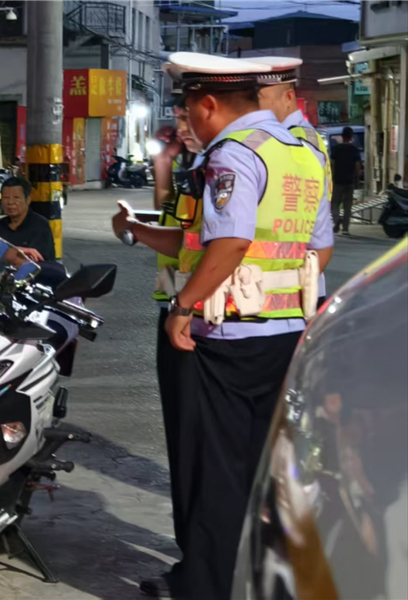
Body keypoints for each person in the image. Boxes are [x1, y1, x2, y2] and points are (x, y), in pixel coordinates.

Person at [113, 52, 333, 599]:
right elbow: (319, 248)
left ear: (208, 104)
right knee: (262, 468)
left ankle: (207, 586)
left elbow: (231, 242)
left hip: (222, 338)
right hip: (283, 335)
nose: (187, 122)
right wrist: (137, 230)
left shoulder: (232, 154)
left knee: (211, 467)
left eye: (189, 110)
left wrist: (184, 305)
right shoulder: (305, 152)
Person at [135, 94, 204, 600]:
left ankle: (200, 566)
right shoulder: (191, 169)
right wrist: (163, 167)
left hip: (197, 319)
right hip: (186, 310)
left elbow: (182, 243)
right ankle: (197, 558)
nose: (180, 126)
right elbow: (173, 220)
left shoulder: (216, 167)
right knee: (187, 446)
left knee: (196, 450)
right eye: (176, 118)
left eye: (186, 117)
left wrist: (131, 230)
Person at [255, 56, 334, 306]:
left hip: (292, 284)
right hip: (280, 281)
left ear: (288, 97)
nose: (252, 108)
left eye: (258, 99)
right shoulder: (285, 136)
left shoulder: (298, 141)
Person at [0, 176, 55, 263]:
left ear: (28, 200)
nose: (10, 202)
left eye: (16, 197)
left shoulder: (40, 226)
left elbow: (39, 261)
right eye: (6, 198)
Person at [330, 126, 363, 235]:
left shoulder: (336, 149)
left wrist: (331, 176)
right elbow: (358, 166)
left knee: (335, 202)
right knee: (347, 205)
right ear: (351, 137)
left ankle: (336, 219)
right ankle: (345, 229)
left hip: (337, 180)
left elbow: (332, 164)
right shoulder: (354, 150)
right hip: (350, 180)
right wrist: (357, 178)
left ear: (342, 136)